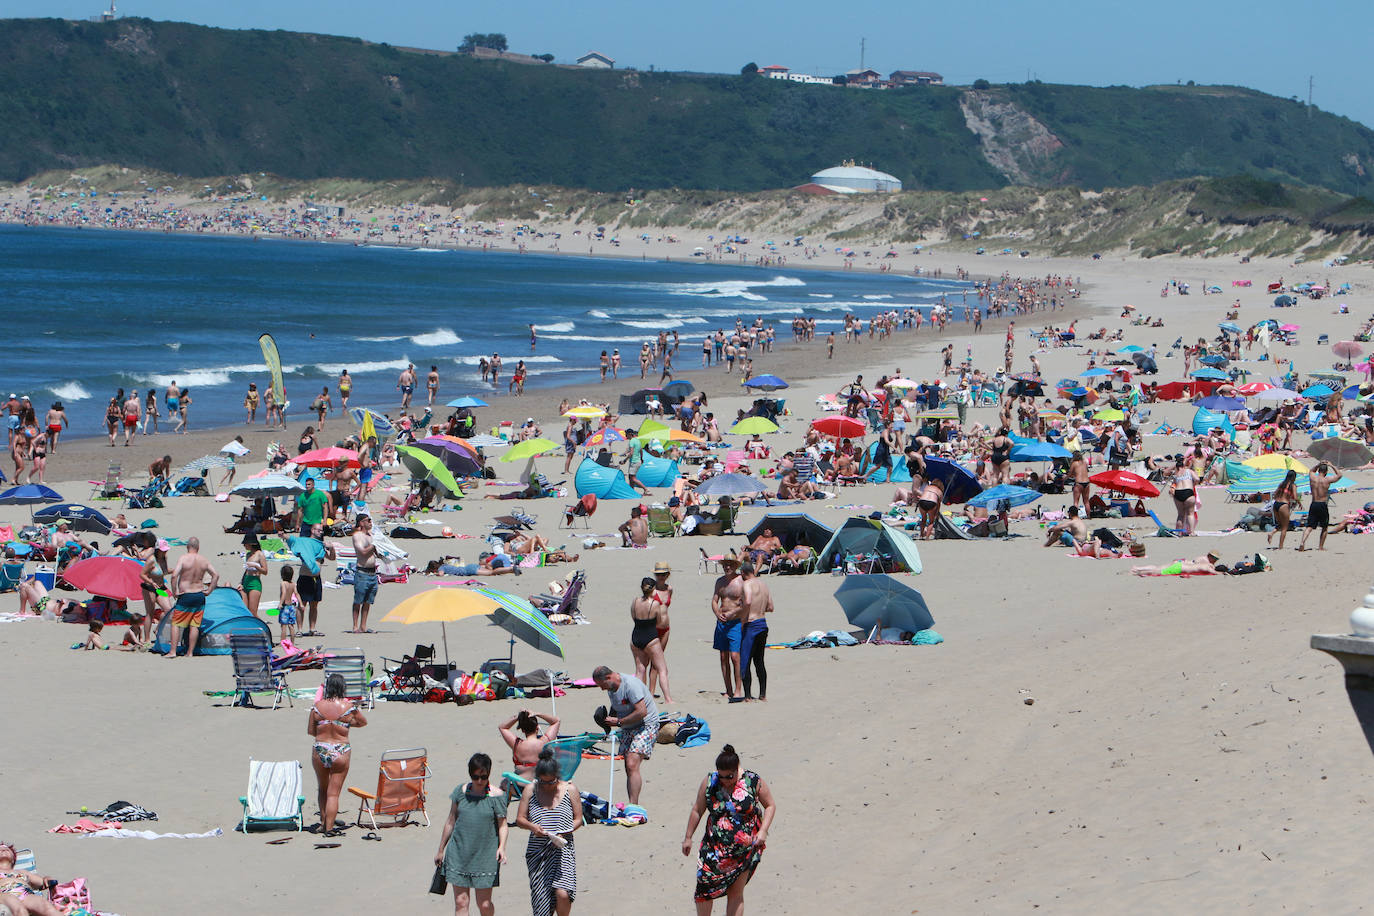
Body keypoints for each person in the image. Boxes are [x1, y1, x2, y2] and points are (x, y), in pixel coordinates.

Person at [682, 744, 777, 915]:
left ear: (737, 768)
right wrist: (688, 837)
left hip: (744, 850)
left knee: (735, 893)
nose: (725, 780)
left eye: (729, 776)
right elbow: (697, 810)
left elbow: (770, 805)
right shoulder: (710, 781)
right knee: (704, 890)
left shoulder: (752, 781)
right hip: (713, 849)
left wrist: (763, 831)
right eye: (722, 776)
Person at [435, 751, 509, 916]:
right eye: (476, 777)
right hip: (458, 854)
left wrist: (502, 847)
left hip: (485, 856)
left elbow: (503, 825)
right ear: (470, 774)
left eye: (484, 777)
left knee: (484, 904)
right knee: (461, 903)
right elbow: (450, 821)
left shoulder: (497, 797)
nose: (480, 781)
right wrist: (441, 849)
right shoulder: (460, 792)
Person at [516, 747, 583, 916]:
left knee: (563, 893)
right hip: (539, 851)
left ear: (557, 777)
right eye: (543, 782)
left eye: (551, 782)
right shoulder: (531, 790)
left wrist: (566, 830)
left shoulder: (570, 789)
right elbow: (520, 819)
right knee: (542, 903)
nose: (547, 786)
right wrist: (533, 827)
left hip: (562, 849)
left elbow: (578, 819)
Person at [308, 673, 367, 836]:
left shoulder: (317, 706)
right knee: (334, 793)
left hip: (320, 748)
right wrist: (345, 724)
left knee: (323, 788)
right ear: (342, 688)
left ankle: (323, 822)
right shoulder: (349, 707)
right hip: (340, 749)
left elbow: (311, 731)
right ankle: (329, 828)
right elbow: (363, 722)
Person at [591, 665, 659, 805]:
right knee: (628, 766)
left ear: (609, 677)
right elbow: (616, 706)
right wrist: (607, 721)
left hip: (646, 725)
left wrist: (619, 722)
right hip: (628, 727)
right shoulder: (611, 688)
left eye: (602, 685)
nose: (602, 689)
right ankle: (632, 802)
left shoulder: (630, 685)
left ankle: (633, 805)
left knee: (632, 763)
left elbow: (642, 711)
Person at [166, 537, 218, 659]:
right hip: (199, 594)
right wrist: (209, 590)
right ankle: (190, 652)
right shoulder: (204, 560)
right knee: (195, 624)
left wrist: (175, 592)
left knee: (176, 623)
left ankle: (173, 651)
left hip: (186, 594)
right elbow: (216, 575)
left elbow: (174, 576)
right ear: (198, 547)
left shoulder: (184, 558)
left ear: (187, 546)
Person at [629, 576, 674, 704]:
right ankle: (668, 699)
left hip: (636, 636)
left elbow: (633, 616)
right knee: (662, 669)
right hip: (650, 636)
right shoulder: (654, 604)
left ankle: (639, 697)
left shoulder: (635, 601)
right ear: (653, 589)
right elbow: (659, 622)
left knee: (640, 669)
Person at [289, 523, 335, 636]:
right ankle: (299, 630)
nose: (321, 532)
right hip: (305, 577)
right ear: (312, 530)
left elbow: (332, 558)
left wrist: (332, 548)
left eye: (321, 531)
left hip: (316, 578)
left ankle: (312, 629)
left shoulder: (320, 545)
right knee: (301, 604)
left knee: (314, 605)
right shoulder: (306, 543)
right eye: (318, 530)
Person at [712, 551, 746, 702]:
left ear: (735, 566)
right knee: (723, 656)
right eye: (725, 565)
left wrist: (734, 612)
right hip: (721, 623)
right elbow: (714, 600)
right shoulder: (720, 582)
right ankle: (728, 689)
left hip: (736, 623)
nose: (727, 567)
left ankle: (738, 689)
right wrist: (716, 612)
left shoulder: (741, 581)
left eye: (730, 565)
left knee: (735, 657)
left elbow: (746, 604)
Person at [0, 842, 65, 916]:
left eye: (7, 850)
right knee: (17, 907)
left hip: (25, 894)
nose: (4, 850)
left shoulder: (22, 872)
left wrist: (47, 879)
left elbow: (42, 882)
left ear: (13, 860)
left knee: (45, 906)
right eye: (0, 850)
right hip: (3, 894)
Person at [738, 562, 773, 702]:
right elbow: (770, 607)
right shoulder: (764, 585)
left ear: (743, 573)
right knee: (759, 661)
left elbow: (747, 601)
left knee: (745, 660)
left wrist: (743, 617)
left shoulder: (747, 584)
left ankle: (747, 696)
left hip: (751, 624)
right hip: (763, 624)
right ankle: (762, 694)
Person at [500, 710, 562, 777]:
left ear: (523, 730)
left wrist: (519, 716)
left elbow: (502, 727)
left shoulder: (517, 745)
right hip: (542, 783)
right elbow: (556, 721)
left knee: (505, 782)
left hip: (521, 783)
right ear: (537, 728)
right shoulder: (545, 741)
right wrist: (538, 713)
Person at [1298, 462, 1342, 551]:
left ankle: (1302, 542)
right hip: (1322, 504)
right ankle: (1320, 547)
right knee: (1324, 527)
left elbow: (1311, 470)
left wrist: (1318, 464)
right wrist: (1331, 465)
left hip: (1314, 503)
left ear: (1318, 470)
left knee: (1309, 526)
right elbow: (1339, 475)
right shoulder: (1327, 480)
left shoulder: (1313, 477)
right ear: (1326, 472)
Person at [648, 561, 674, 696]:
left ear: (667, 575)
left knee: (658, 660)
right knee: (653, 660)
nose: (661, 577)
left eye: (663, 574)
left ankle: (651, 691)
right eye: (659, 575)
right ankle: (651, 691)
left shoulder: (669, 589)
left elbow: (666, 608)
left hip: (666, 629)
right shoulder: (652, 591)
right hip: (654, 629)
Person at [350, 513, 378, 633]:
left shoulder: (372, 536)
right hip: (362, 572)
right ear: (361, 523)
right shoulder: (357, 536)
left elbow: (376, 552)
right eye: (368, 520)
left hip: (373, 573)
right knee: (358, 601)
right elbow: (362, 552)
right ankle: (355, 626)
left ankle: (363, 626)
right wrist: (374, 545)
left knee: (368, 602)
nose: (370, 522)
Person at [1268, 469, 1301, 550]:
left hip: (1276, 504)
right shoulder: (1293, 485)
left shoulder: (1281, 484)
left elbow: (1275, 495)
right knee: (1284, 527)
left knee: (1280, 524)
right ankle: (1281, 546)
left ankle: (1271, 533)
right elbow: (1296, 497)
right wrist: (1299, 503)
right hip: (1283, 505)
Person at [1170, 461, 1199, 537]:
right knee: (1190, 513)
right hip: (1188, 491)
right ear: (1184, 466)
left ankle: (1179, 532)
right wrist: (1193, 484)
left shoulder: (1176, 475)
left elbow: (1173, 485)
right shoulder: (1189, 471)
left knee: (1180, 515)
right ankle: (1192, 532)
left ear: (1177, 467)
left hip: (1178, 492)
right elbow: (1197, 479)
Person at [240, 534, 266, 619]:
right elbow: (246, 571)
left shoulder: (260, 554)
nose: (244, 545)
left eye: (245, 543)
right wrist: (241, 583)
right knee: (245, 611)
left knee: (253, 612)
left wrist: (256, 567)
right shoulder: (248, 555)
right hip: (246, 581)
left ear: (251, 543)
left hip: (255, 582)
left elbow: (265, 571)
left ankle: (262, 629)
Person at [277, 565, 299, 642]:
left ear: (282, 575)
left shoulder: (283, 583)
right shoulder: (293, 584)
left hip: (285, 607)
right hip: (292, 607)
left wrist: (280, 603)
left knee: (283, 625)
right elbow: (296, 593)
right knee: (291, 626)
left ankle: (283, 642)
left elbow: (284, 593)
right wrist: (301, 603)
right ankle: (292, 642)